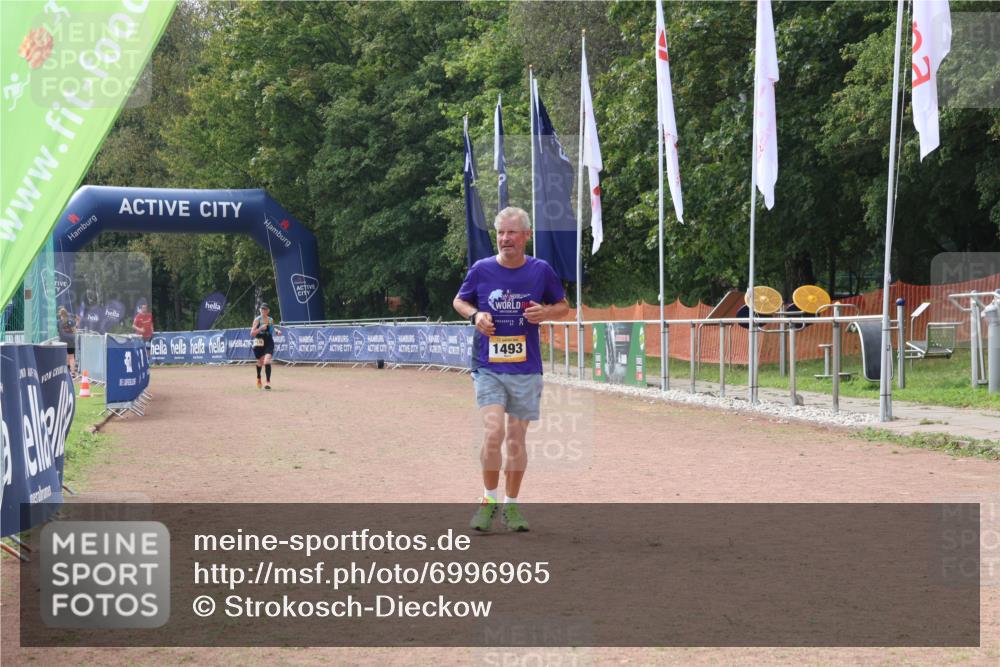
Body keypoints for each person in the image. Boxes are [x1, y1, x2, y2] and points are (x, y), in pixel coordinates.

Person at [453, 206, 569, 532]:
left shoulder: (540, 271)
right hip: (487, 366)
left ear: (526, 236)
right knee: (494, 433)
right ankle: (488, 500)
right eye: (501, 232)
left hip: (526, 368)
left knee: (516, 440)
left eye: (512, 232)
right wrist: (476, 316)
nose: (505, 238)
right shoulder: (481, 270)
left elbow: (564, 306)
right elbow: (459, 301)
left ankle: (511, 506)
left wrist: (545, 313)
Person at [251, 303, 280, 390]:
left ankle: (268, 382)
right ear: (260, 310)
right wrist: (260, 328)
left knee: (267, 361)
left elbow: (271, 328)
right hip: (259, 341)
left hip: (268, 341)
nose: (263, 311)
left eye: (265, 309)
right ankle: (259, 377)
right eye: (262, 309)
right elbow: (252, 333)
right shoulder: (257, 320)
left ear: (268, 311)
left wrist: (277, 330)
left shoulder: (270, 320)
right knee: (260, 362)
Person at [58, 307, 79, 376]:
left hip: (62, 342)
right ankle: (72, 372)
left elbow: (60, 332)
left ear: (61, 315)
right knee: (71, 357)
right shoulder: (71, 321)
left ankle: (66, 372)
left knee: (66, 357)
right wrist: (77, 323)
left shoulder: (59, 322)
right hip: (70, 342)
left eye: (60, 315)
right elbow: (74, 331)